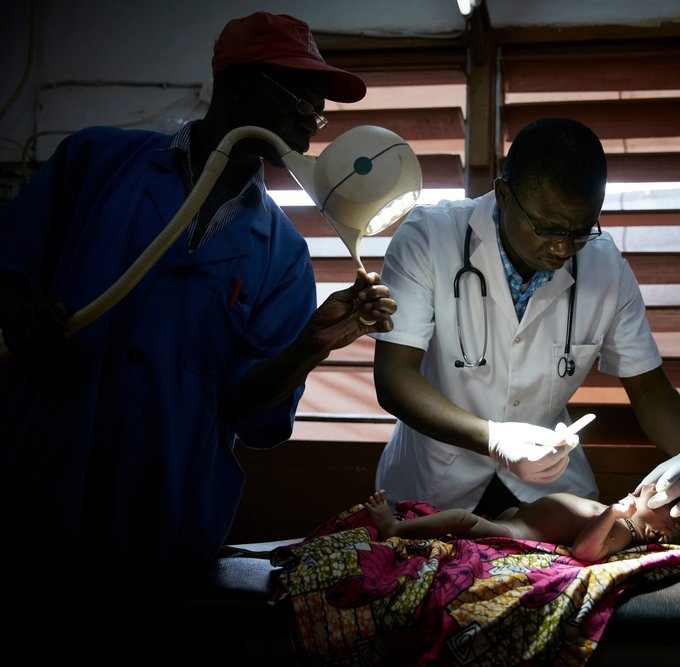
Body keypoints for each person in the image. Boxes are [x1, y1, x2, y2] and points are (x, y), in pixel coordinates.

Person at [0, 12, 396, 607]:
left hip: (159, 516)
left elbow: (254, 416)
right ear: (235, 84)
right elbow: (9, 257)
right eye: (298, 98)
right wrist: (17, 309)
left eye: (317, 112)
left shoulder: (282, 255)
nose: (309, 127)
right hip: (39, 478)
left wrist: (310, 345)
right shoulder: (98, 163)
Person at [371, 116, 680, 522]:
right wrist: (495, 438)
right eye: (547, 227)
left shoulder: (605, 265)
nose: (562, 247)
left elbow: (648, 388)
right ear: (503, 195)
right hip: (433, 484)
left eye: (581, 230)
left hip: (550, 491)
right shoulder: (430, 237)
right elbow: (394, 378)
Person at [364, 483, 680, 562]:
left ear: (659, 531)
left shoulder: (624, 528)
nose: (654, 486)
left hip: (516, 531)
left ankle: (395, 529)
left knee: (462, 520)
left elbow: (585, 551)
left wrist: (612, 513)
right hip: (519, 513)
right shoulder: (625, 519)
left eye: (663, 499)